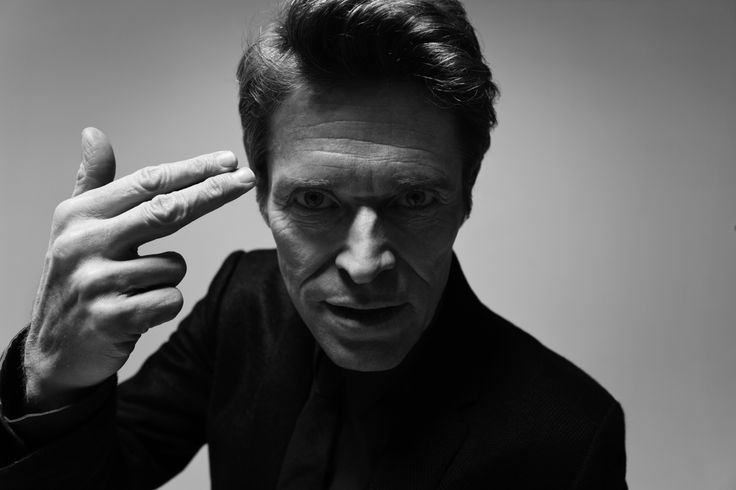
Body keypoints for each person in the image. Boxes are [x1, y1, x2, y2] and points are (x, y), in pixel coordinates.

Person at [0, 0, 627, 488]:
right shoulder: (242, 302)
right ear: (263, 197)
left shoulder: (569, 436)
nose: (364, 263)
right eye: (315, 201)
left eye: (414, 199)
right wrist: (52, 382)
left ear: (466, 194)